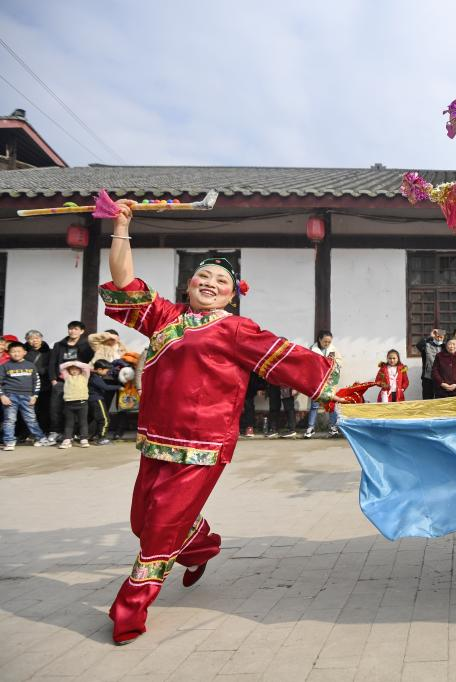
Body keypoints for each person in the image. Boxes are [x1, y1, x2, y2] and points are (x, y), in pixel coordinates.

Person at [101, 199, 348, 645]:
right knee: (143, 519)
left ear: (233, 294)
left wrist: (334, 390)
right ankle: (200, 546)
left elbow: (285, 359)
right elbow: (123, 281)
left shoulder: (235, 329)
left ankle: (129, 610)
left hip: (203, 446)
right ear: (188, 283)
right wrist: (122, 225)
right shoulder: (165, 319)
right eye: (204, 276)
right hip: (155, 440)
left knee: (157, 532)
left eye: (222, 280)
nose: (211, 283)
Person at [1, 342, 53, 450]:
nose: (16, 354)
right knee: (9, 419)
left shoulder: (30, 365)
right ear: (9, 353)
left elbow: (37, 382)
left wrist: (35, 396)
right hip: (10, 396)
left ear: (24, 352)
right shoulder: (5, 366)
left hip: (27, 397)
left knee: (31, 419)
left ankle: (40, 438)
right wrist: (2, 395)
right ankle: (9, 441)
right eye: (13, 352)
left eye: (18, 351)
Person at [47, 321, 94, 440]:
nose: (72, 331)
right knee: (55, 408)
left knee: (78, 410)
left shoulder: (86, 345)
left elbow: (90, 361)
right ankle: (56, 431)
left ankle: (74, 433)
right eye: (70, 329)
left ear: (82, 331)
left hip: (78, 382)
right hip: (60, 381)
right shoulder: (59, 345)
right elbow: (52, 362)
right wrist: (53, 380)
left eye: (76, 329)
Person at [305, 331, 340, 437]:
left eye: (329, 341)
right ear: (319, 339)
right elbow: (307, 363)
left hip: (329, 381)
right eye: (325, 341)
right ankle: (311, 427)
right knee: (314, 405)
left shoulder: (333, 350)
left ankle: (333, 426)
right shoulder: (312, 349)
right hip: (316, 381)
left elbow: (339, 362)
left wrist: (334, 364)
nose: (327, 343)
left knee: (330, 404)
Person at [24, 330, 52, 434]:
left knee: (44, 409)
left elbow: (52, 366)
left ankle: (43, 431)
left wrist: (41, 370)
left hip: (45, 385)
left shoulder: (49, 352)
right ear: (27, 340)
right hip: (28, 385)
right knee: (28, 410)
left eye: (37, 338)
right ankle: (25, 433)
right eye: (31, 339)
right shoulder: (23, 352)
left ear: (41, 339)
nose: (34, 341)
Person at [58, 361, 91, 448]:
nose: (74, 371)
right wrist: (70, 363)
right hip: (69, 403)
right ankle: (67, 440)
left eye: (76, 369)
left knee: (83, 422)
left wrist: (75, 363)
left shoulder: (84, 376)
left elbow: (87, 367)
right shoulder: (67, 377)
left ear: (80, 370)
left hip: (82, 403)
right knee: (69, 423)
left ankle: (84, 439)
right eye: (72, 369)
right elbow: (61, 367)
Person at [88, 359, 117, 445]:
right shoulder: (95, 377)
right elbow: (106, 387)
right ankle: (102, 438)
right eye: (106, 371)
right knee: (105, 419)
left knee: (98, 419)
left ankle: (96, 436)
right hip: (97, 400)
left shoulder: (94, 376)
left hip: (93, 400)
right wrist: (119, 387)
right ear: (100, 369)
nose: (107, 373)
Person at [416, 328, 445, 399]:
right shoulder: (427, 345)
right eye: (437, 335)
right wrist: (430, 336)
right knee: (427, 399)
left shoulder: (445, 346)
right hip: (428, 378)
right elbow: (419, 345)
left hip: (442, 378)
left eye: (441, 336)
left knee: (440, 400)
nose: (439, 338)